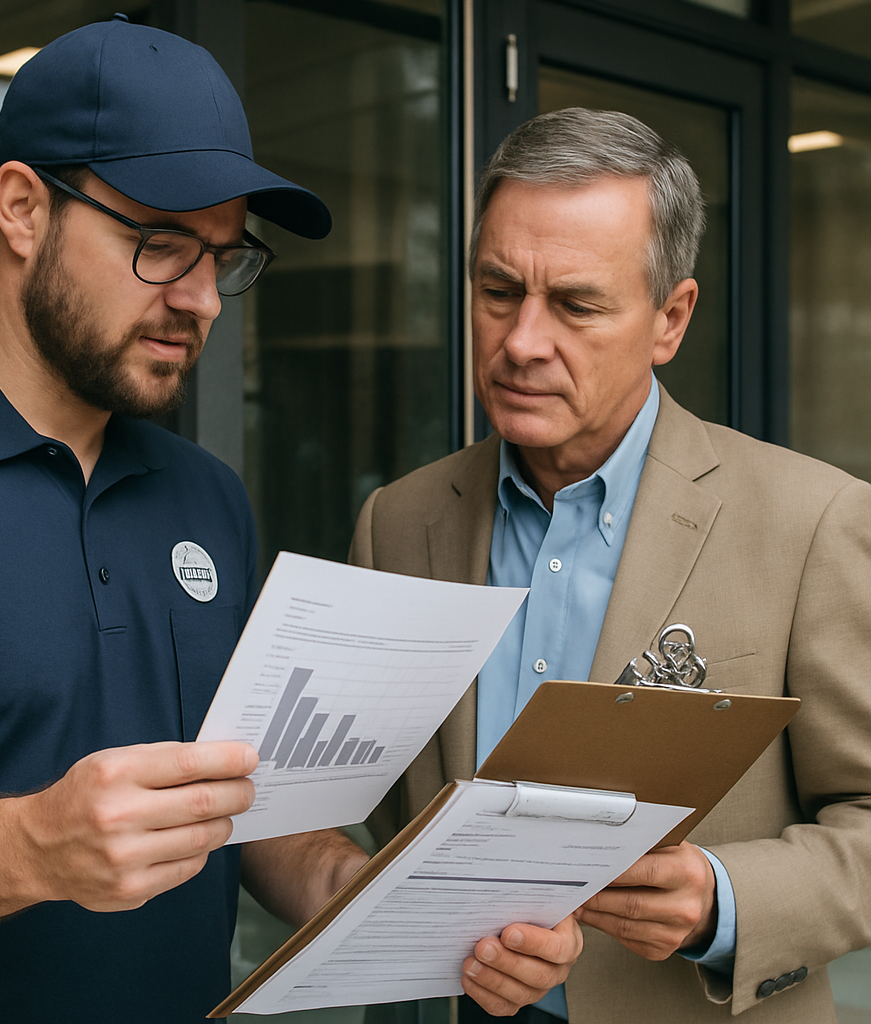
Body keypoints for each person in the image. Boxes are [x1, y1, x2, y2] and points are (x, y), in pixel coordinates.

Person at [0, 18, 579, 1023]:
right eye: (159, 244)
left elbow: (242, 812)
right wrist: (28, 847)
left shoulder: (205, 496)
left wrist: (371, 900)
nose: (201, 299)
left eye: (225, 258)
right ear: (21, 207)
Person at [351, 107, 871, 1024]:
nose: (520, 342)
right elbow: (371, 810)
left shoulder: (814, 521)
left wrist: (723, 897)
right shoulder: (400, 522)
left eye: (577, 305)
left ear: (672, 318)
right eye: (497, 290)